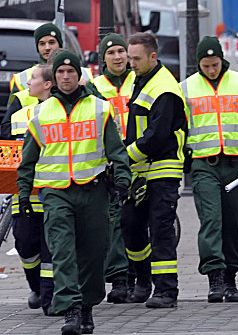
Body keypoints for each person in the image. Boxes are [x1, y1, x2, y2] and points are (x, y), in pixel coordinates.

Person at [17, 50, 131, 335]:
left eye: (70, 72)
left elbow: (116, 150)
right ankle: (70, 309)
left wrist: (122, 180)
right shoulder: (41, 113)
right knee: (62, 251)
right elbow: (28, 159)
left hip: (92, 190)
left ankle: (87, 306)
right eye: (60, 73)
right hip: (56, 194)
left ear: (79, 76)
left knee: (93, 252)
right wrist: (23, 195)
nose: (65, 77)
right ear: (54, 78)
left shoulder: (100, 109)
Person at [180, 37, 238, 303]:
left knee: (234, 222)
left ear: (222, 60)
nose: (210, 70)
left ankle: (231, 278)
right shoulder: (186, 88)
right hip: (204, 165)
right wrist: (186, 160)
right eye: (205, 65)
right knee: (211, 220)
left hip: (237, 165)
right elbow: (180, 129)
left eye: (214, 65)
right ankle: (214, 276)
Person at [121, 32, 187, 308]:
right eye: (129, 58)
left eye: (136, 59)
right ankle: (143, 279)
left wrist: (124, 157)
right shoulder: (141, 79)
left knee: (161, 230)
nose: (131, 64)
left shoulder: (165, 88)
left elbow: (156, 136)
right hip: (140, 170)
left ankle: (166, 291)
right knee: (131, 226)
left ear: (152, 57)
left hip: (163, 168)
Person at [91, 33, 136, 304]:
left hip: (141, 160)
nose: (118, 57)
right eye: (111, 53)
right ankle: (119, 279)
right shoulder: (96, 87)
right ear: (103, 58)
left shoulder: (138, 81)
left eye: (121, 51)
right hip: (111, 163)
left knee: (138, 223)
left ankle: (141, 275)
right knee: (115, 222)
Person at [6, 64, 53, 315]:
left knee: (51, 249)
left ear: (47, 84)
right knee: (25, 244)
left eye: (33, 79)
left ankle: (49, 297)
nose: (28, 83)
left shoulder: (59, 113)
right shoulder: (18, 116)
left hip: (53, 191)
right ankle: (37, 287)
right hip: (24, 193)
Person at [2, 23, 92, 136]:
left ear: (60, 43)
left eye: (52, 42)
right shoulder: (23, 77)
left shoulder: (84, 74)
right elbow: (7, 125)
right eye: (42, 44)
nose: (47, 47)